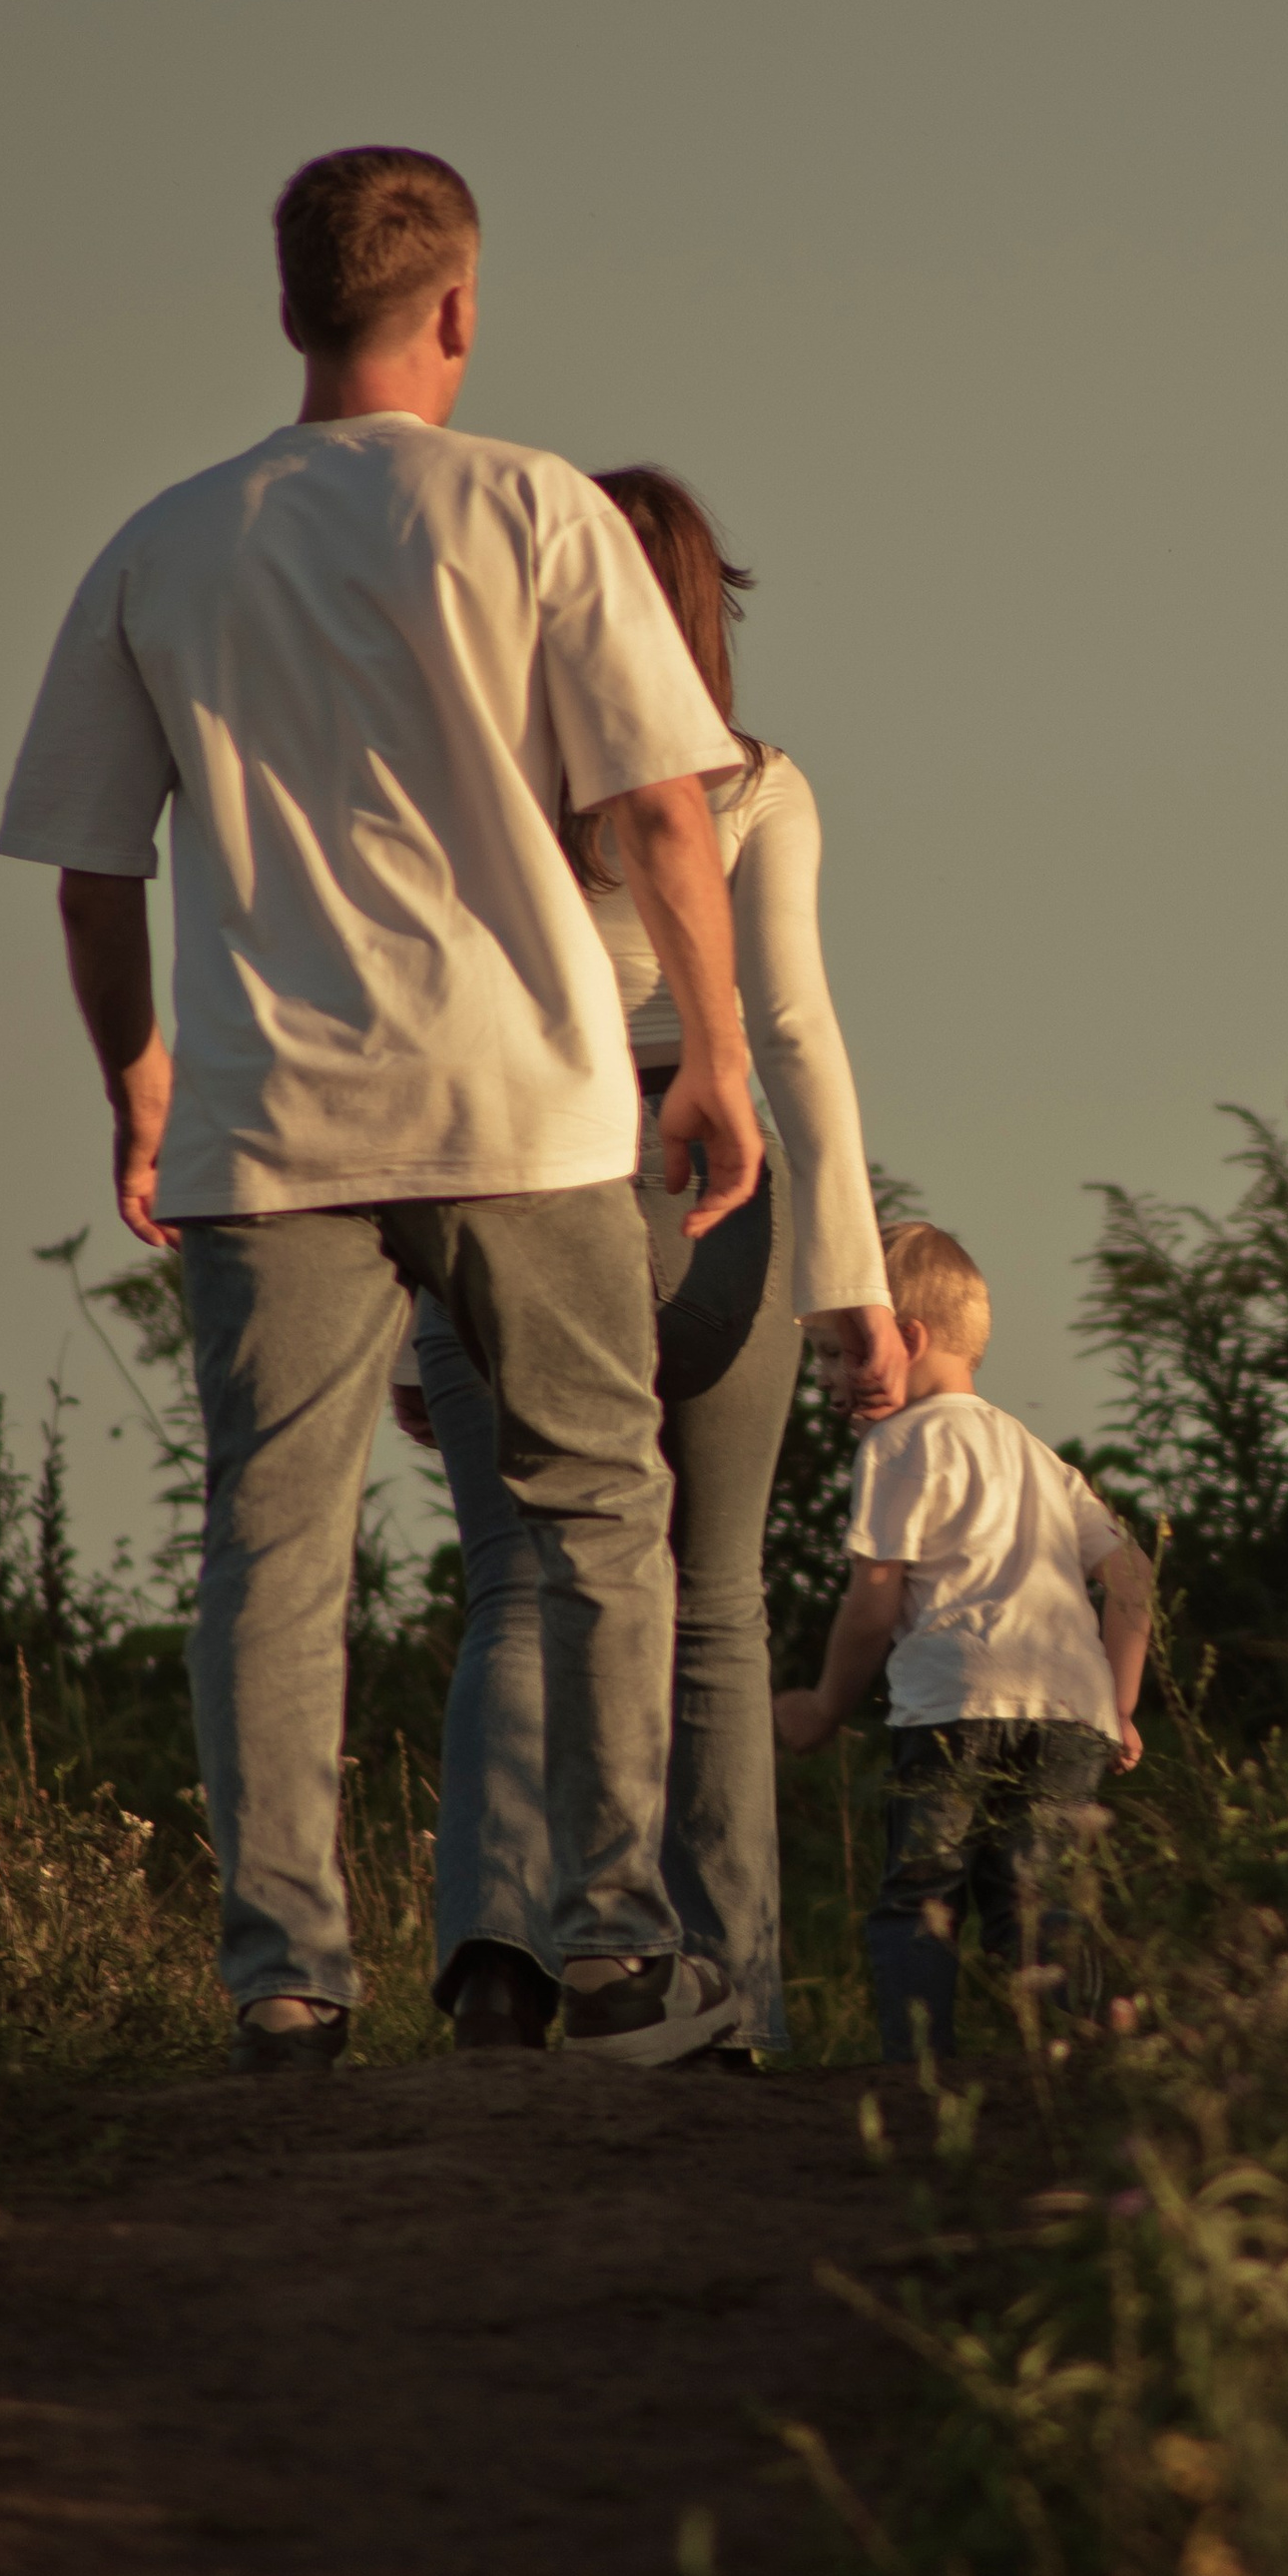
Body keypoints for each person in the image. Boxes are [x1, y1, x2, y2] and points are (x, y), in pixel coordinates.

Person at [0, 143, 887, 2071]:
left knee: (271, 1543)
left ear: (290, 312)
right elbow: (664, 807)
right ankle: (614, 1931)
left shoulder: (166, 539)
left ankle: (288, 1980)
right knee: (597, 1514)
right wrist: (719, 1060)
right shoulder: (540, 514)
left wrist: (140, 1085)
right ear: (460, 312)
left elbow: (88, 865)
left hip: (268, 1119)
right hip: (528, 1107)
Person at [404, 466, 892, 2057]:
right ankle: (729, 1995)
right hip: (711, 1204)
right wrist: (852, 1284)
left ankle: (498, 1957)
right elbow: (798, 1034)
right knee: (717, 1608)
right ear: (703, 614)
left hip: (514, 1193)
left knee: (519, 1586)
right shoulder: (756, 787)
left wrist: (428, 1314)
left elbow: (445, 1031)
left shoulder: (475, 788)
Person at [773, 1222, 1153, 2064]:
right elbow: (1133, 1580)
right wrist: (1118, 1705)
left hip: (956, 1700)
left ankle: (920, 2074)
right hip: (1072, 1710)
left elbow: (874, 1605)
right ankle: (1099, 2056)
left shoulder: (899, 1443)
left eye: (839, 1355)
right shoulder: (1039, 1456)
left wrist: (827, 1706)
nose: (830, 1382)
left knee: (922, 1893)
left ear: (905, 1340)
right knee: (1040, 1903)